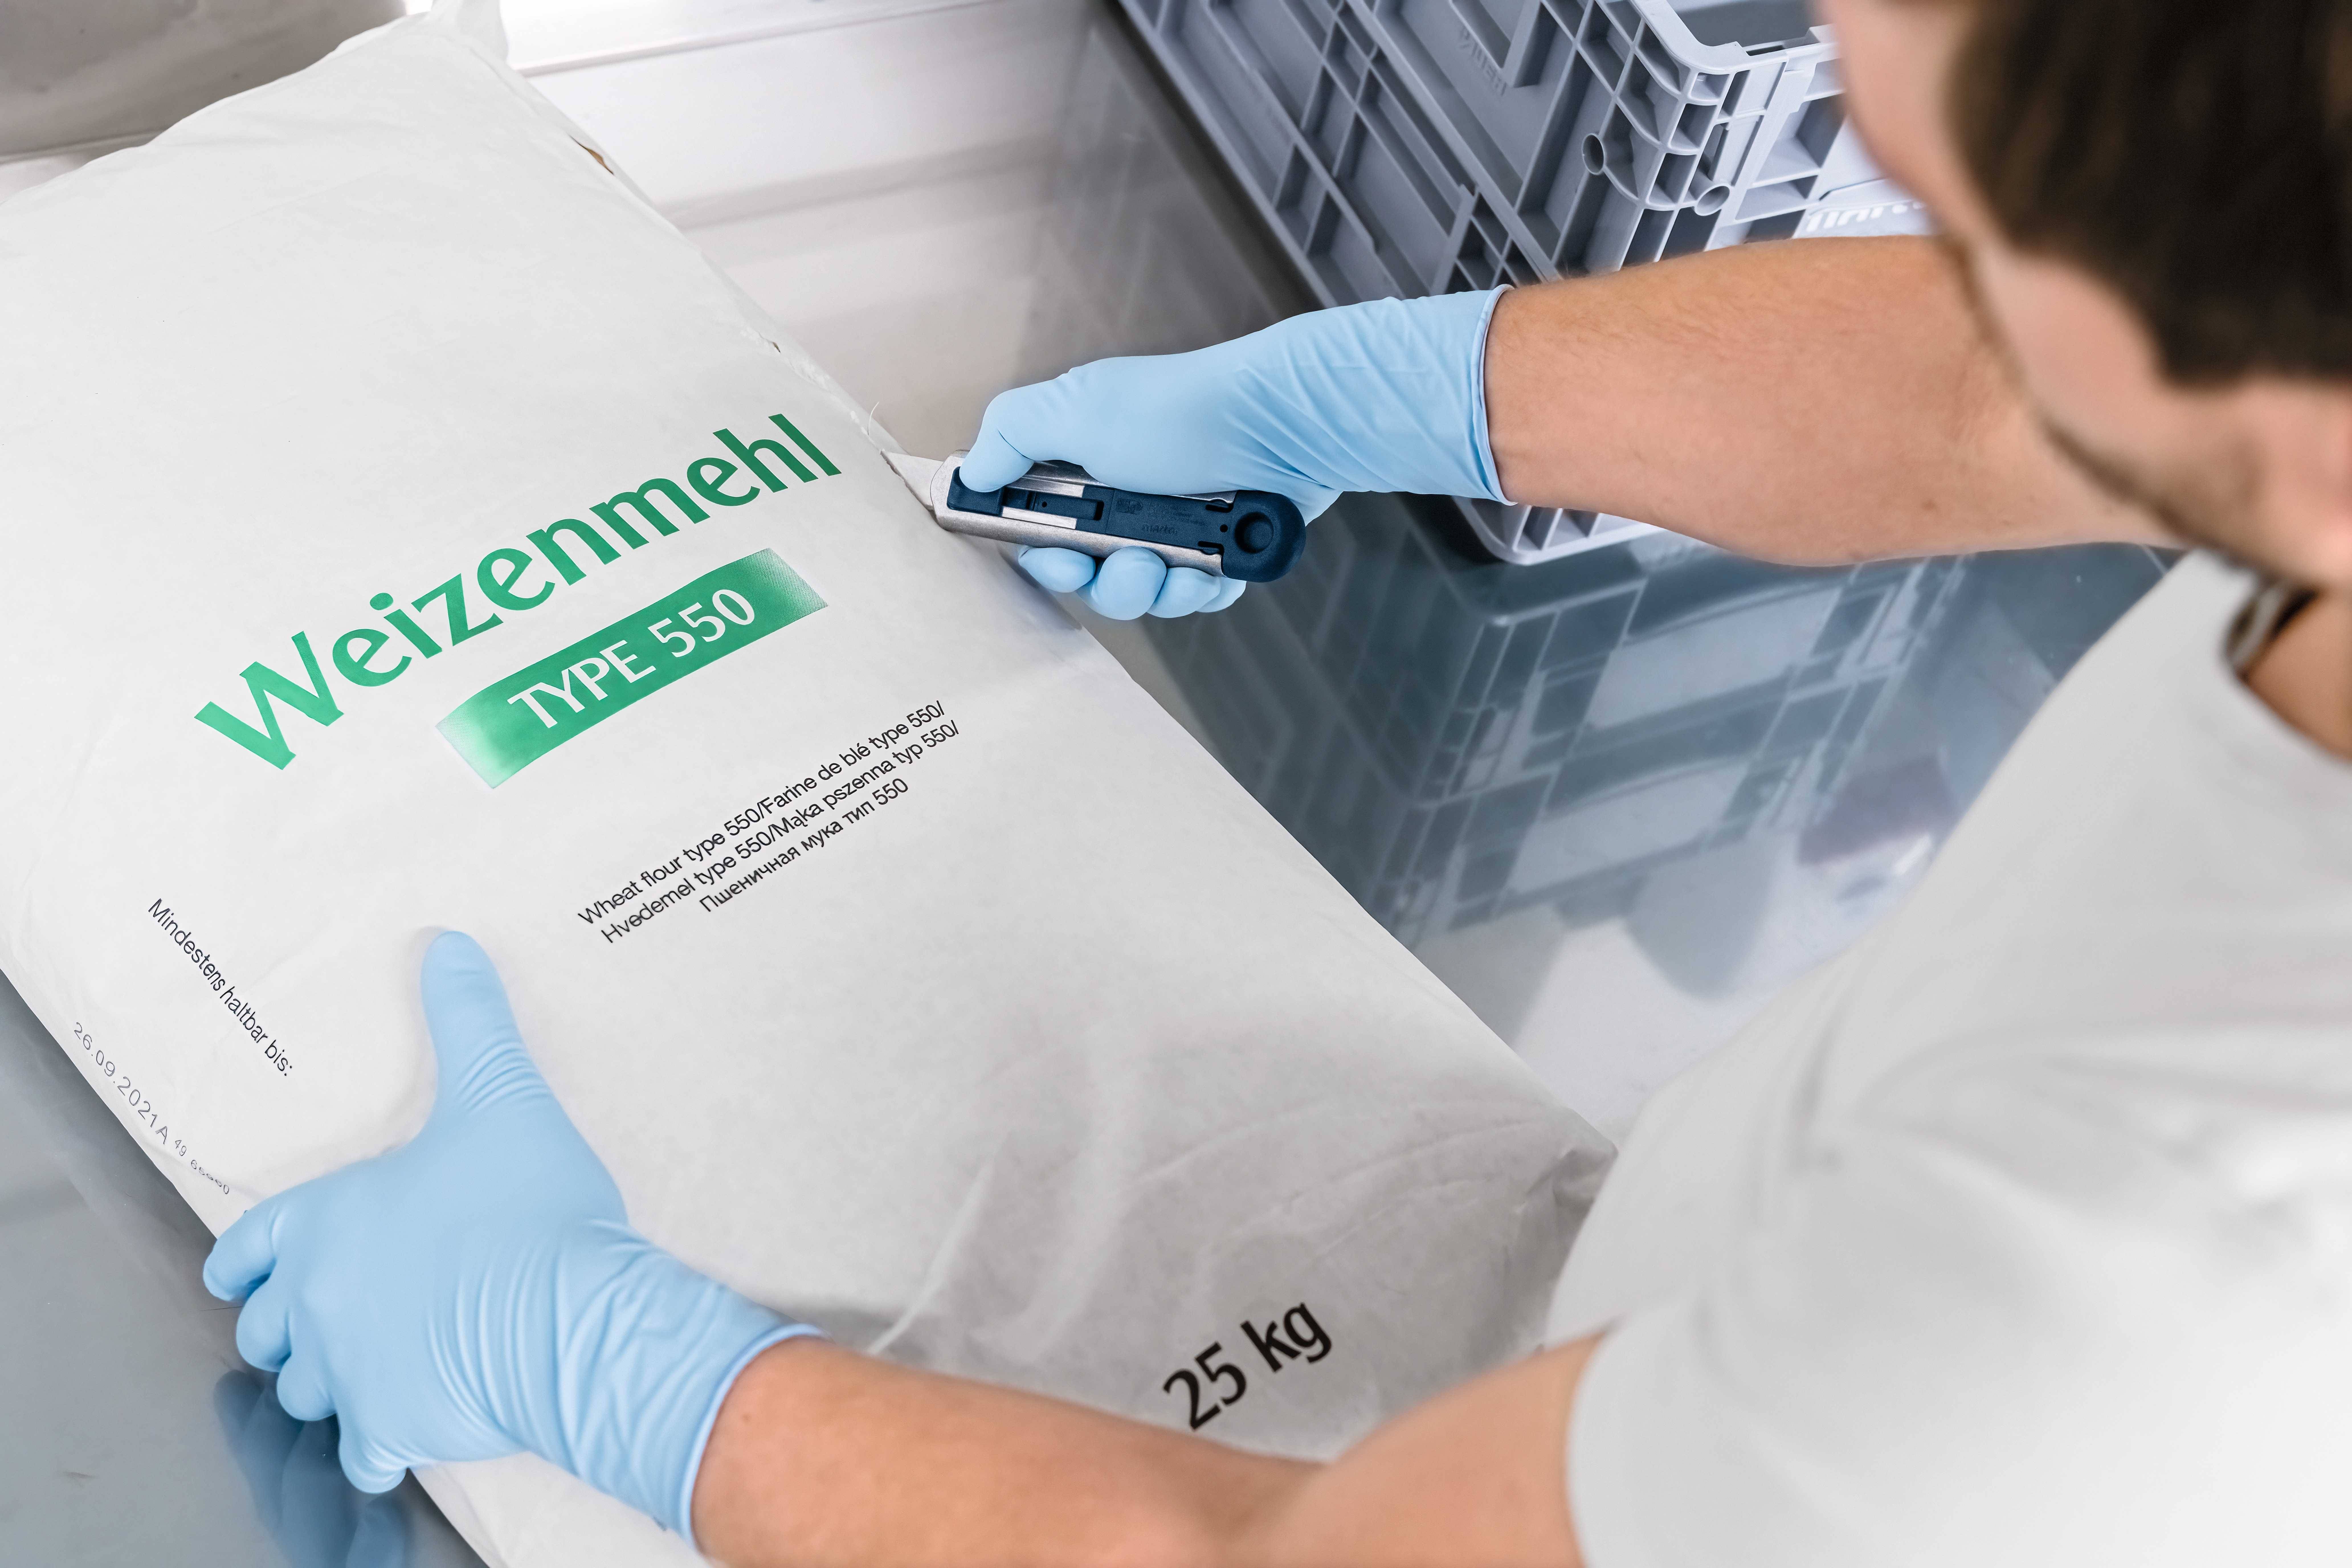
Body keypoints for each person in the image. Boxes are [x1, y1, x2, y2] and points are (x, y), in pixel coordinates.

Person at [201, 0, 2352, 1561]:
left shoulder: (2160, 1288)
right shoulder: (2282, 343)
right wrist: (1387, 392)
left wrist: (634, 1385)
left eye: (1949, 165)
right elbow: (2000, 389)